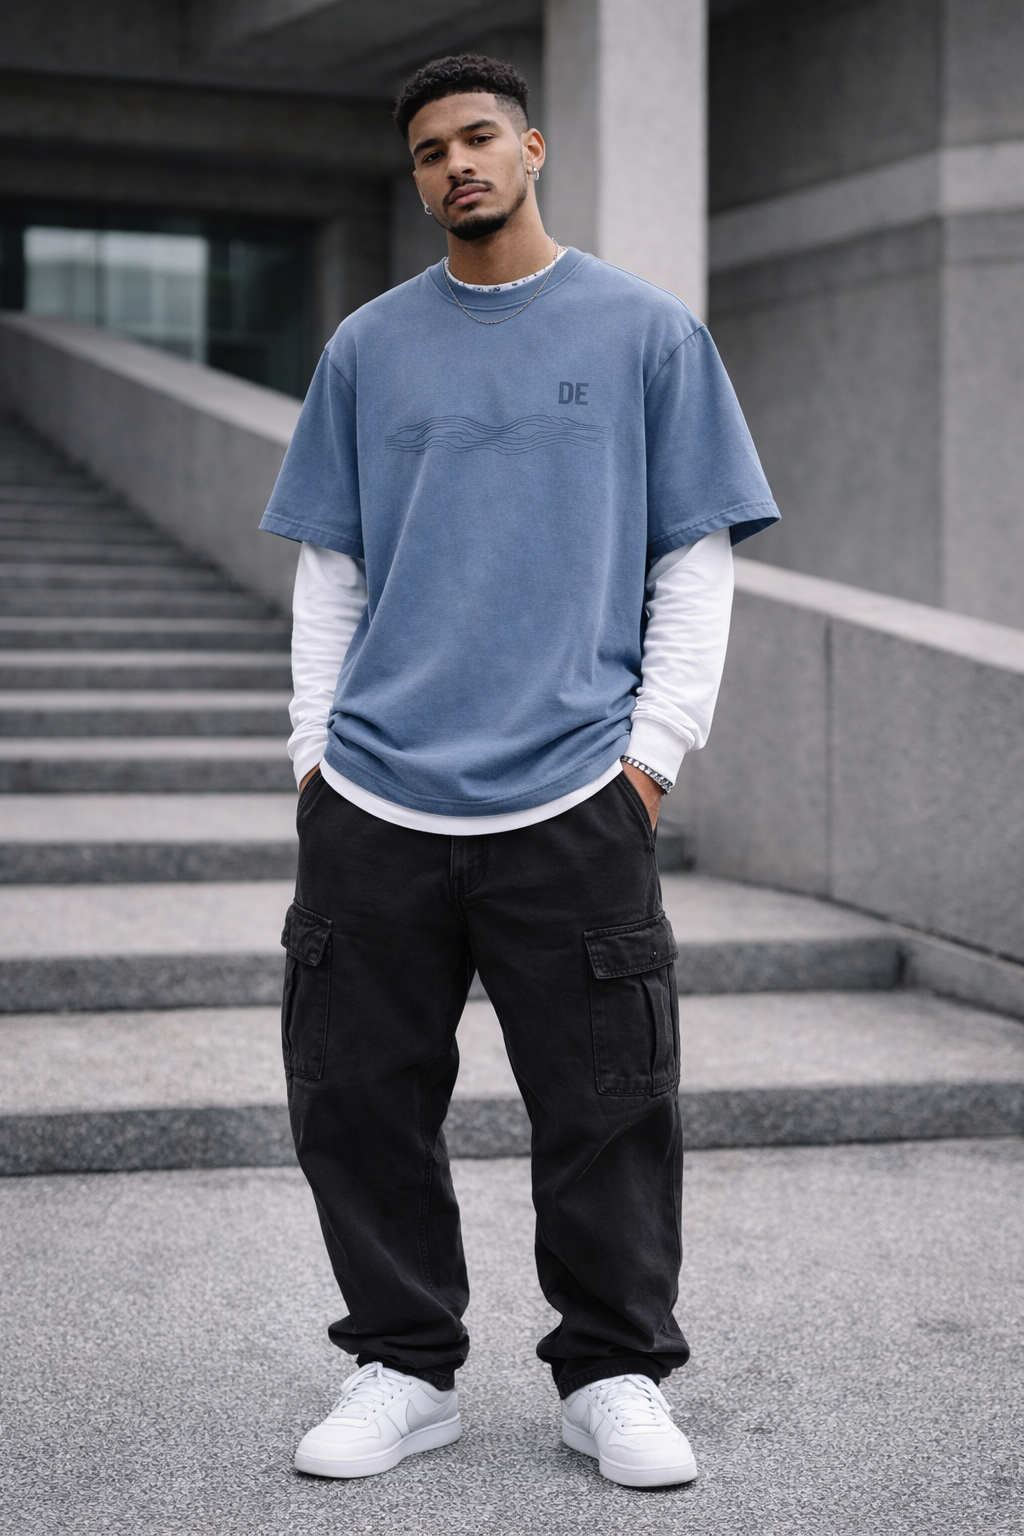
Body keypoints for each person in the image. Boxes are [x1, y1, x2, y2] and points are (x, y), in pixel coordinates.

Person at [260, 52, 779, 1490]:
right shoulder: (366, 346)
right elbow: (329, 573)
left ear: (532, 148)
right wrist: (312, 758)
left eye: (479, 138)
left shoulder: (646, 333)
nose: (458, 166)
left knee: (610, 1104)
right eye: (432, 151)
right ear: (418, 174)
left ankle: (613, 1374)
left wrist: (651, 760)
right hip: (376, 796)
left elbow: (695, 561)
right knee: (356, 1098)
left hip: (575, 795)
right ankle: (403, 1366)